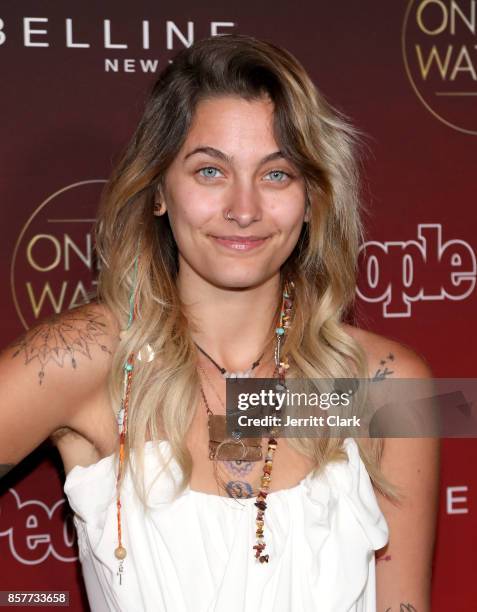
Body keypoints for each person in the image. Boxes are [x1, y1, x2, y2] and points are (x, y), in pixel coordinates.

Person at [0, 34, 440, 611]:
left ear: (312, 197)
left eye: (277, 174)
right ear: (158, 189)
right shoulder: (86, 361)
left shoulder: (382, 387)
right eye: (210, 171)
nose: (244, 208)